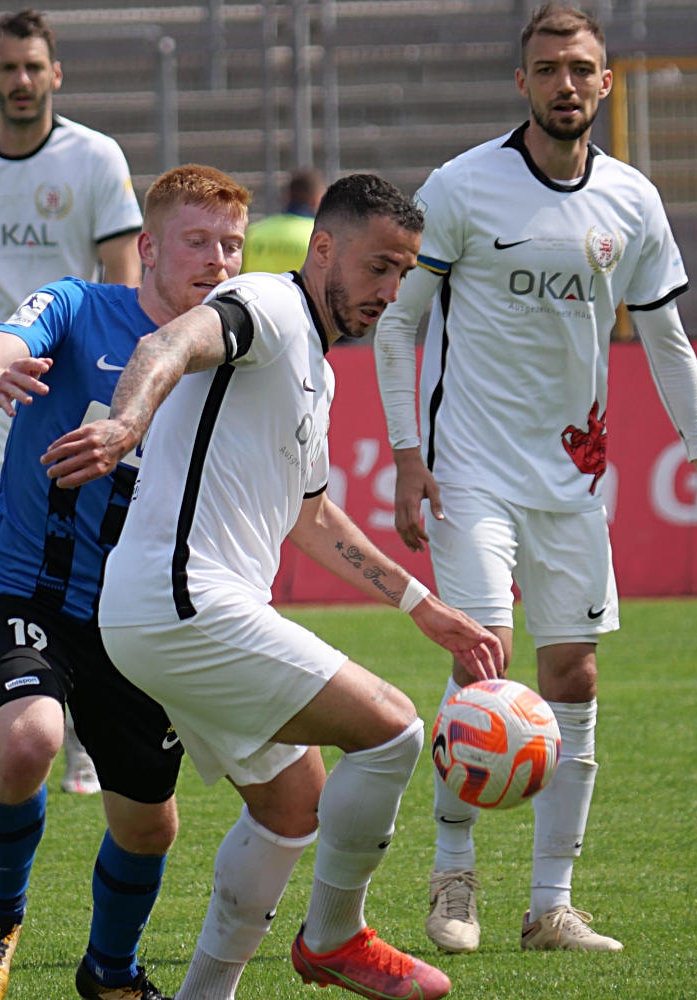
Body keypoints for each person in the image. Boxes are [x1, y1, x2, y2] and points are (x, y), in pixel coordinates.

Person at [44, 173, 506, 1000]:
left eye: (404, 274)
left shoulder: (317, 372)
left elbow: (312, 515)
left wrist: (424, 608)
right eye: (377, 268)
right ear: (323, 248)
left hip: (168, 613)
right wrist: (125, 424)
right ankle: (335, 938)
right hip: (184, 602)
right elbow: (166, 347)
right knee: (395, 731)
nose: (391, 292)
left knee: (294, 805)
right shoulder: (267, 302)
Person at [372, 3, 697, 956]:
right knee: (483, 661)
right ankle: (452, 878)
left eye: (581, 69)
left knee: (574, 675)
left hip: (575, 478)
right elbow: (397, 325)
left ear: (606, 82)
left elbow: (668, 343)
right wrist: (408, 457)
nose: (565, 85)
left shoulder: (632, 201)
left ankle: (552, 906)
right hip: (469, 470)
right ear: (523, 83)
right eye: (547, 69)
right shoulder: (462, 187)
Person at [0, 165, 251, 1000]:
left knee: (149, 826)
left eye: (232, 243)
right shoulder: (78, 308)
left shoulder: (238, 344)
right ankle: (2, 917)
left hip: (140, 620)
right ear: (147, 247)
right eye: (197, 241)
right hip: (26, 596)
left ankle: (109, 970)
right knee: (28, 740)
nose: (218, 260)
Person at [0, 8, 144, 792]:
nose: (20, 81)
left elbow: (124, 277)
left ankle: (80, 727)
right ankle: (11, 715)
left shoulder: (93, 157)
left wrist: (123, 390)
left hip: (73, 389)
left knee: (86, 557)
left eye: (32, 67)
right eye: (7, 68)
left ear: (55, 74)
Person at [240, 166, 324, 275]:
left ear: (287, 196)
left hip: (254, 291)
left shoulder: (253, 231)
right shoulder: (320, 236)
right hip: (297, 292)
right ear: (317, 198)